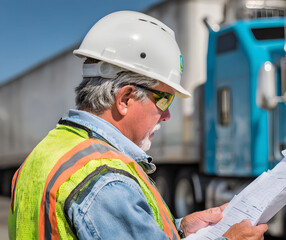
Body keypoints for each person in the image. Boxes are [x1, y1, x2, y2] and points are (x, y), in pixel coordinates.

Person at [8, 11, 268, 240]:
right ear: (125, 98)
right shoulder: (105, 180)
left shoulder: (48, 151)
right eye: (164, 100)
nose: (167, 116)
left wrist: (179, 229)